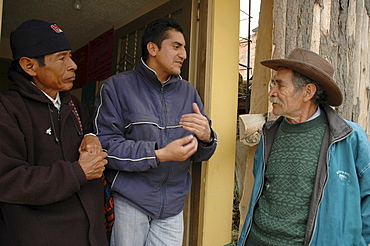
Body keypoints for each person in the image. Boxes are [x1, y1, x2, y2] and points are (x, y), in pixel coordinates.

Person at [93, 17, 217, 245]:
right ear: (152, 48)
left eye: (185, 48)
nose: (184, 55)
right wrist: (159, 153)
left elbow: (200, 153)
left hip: (172, 207)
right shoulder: (117, 87)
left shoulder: (188, 92)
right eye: (176, 47)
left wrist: (207, 138)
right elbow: (106, 148)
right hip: (130, 201)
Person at [238, 48, 370, 245]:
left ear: (308, 92)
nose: (271, 92)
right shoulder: (269, 134)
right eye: (273, 83)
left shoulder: (348, 137)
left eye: (280, 85)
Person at [0, 19, 108, 245]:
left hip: (90, 236)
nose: (73, 65)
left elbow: (89, 128)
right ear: (30, 66)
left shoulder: (73, 104)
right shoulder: (8, 110)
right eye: (61, 58)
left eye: (70, 55)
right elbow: (8, 179)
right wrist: (78, 172)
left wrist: (91, 137)